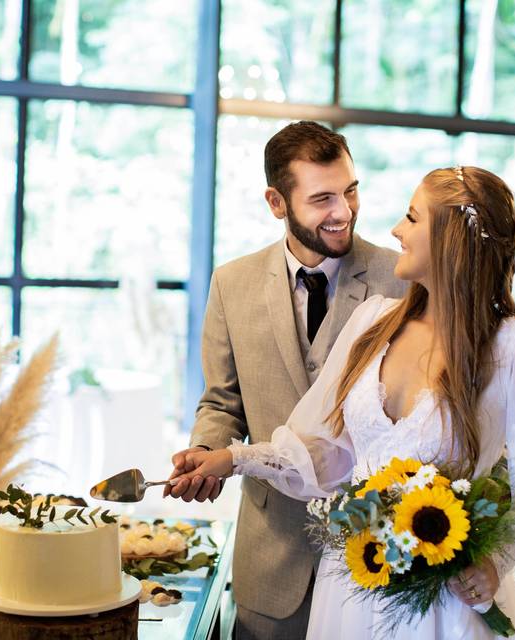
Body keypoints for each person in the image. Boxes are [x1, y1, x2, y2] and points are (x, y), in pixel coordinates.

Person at [169, 166, 515, 639]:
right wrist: (231, 458)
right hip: (349, 588)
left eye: (411, 217)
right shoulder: (373, 321)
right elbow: (331, 454)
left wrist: (493, 560)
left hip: (443, 605)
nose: (394, 230)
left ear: (452, 241)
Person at [166, 121, 406, 639]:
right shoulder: (232, 283)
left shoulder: (402, 280)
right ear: (277, 202)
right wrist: (208, 452)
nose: (343, 211)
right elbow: (223, 401)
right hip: (273, 559)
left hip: (380, 557)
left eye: (350, 191)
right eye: (322, 199)